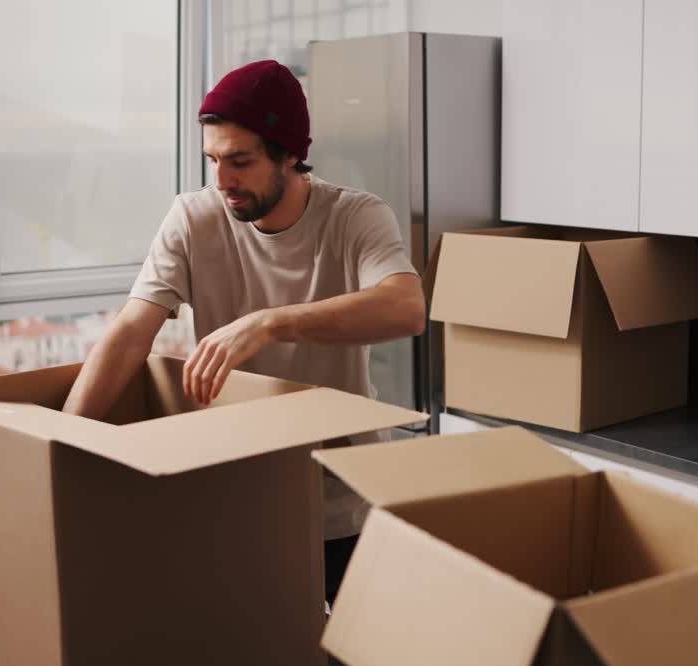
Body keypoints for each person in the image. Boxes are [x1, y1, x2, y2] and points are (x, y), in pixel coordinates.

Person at [63, 60, 426, 606]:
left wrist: (270, 322)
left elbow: (406, 308)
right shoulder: (192, 219)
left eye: (240, 161)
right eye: (213, 159)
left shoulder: (355, 217)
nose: (222, 179)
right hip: (240, 492)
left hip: (342, 497)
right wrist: (63, 445)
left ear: (289, 154)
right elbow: (132, 331)